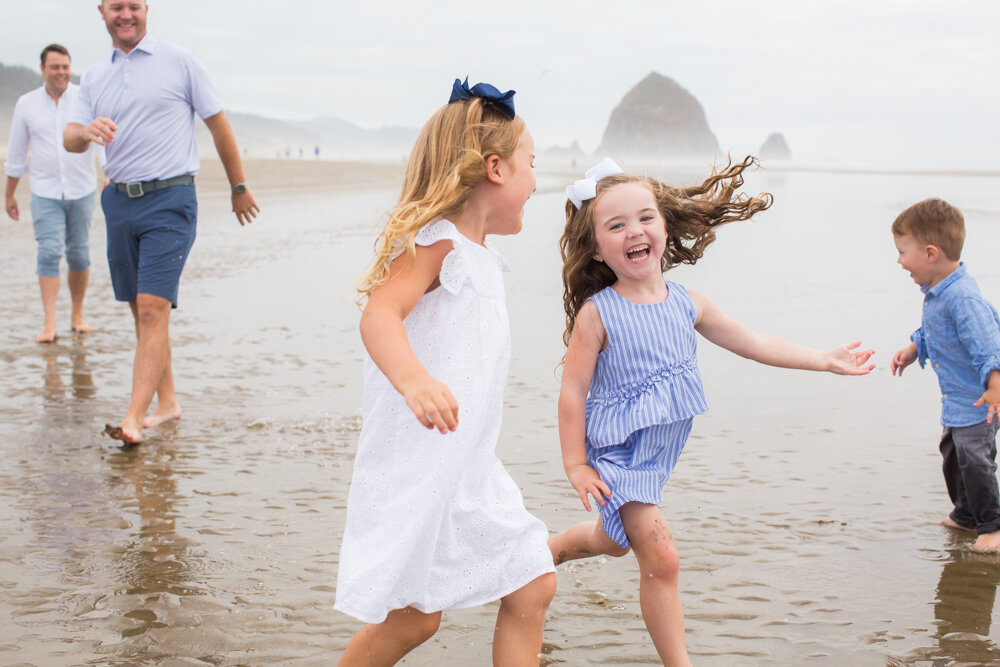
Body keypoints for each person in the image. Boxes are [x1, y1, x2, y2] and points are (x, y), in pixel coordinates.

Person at [547, 157, 875, 664]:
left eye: (644, 217)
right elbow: (573, 392)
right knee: (662, 558)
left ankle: (545, 553)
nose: (634, 230)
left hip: (657, 455)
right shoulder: (599, 313)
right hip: (619, 453)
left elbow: (752, 342)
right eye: (616, 225)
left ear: (663, 225)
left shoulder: (687, 302)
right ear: (595, 247)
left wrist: (823, 360)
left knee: (612, 541)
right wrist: (576, 464)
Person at [335, 78, 556, 666]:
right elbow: (381, 315)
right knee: (413, 619)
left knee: (533, 581)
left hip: (470, 463)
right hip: (424, 461)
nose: (538, 179)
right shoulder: (439, 244)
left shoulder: (480, 256)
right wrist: (413, 379)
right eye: (531, 164)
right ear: (496, 169)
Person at [63, 0, 260, 445]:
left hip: (171, 199)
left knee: (153, 308)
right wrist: (86, 131)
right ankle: (167, 402)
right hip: (118, 202)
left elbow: (218, 123)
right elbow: (70, 138)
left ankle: (132, 417)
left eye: (133, 5)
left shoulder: (180, 61)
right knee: (143, 312)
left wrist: (238, 186)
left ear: (146, 8)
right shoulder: (94, 77)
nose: (125, 14)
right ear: (102, 12)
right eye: (117, 8)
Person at [890, 198, 1000, 553]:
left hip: (979, 401)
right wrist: (913, 348)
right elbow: (933, 330)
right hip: (957, 403)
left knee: (976, 462)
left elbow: (987, 344)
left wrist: (995, 384)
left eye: (903, 252)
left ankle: (993, 527)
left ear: (931, 253)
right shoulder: (938, 295)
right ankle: (966, 515)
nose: (899, 261)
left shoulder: (963, 298)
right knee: (953, 455)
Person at [5, 43, 105, 343]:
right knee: (48, 253)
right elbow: (16, 152)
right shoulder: (26, 103)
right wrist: (9, 194)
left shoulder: (83, 99)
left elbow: (102, 138)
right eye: (55, 67)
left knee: (79, 254)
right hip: (45, 191)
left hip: (82, 188)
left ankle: (77, 314)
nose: (61, 72)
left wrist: (109, 175)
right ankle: (50, 323)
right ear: (43, 69)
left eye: (65, 66)